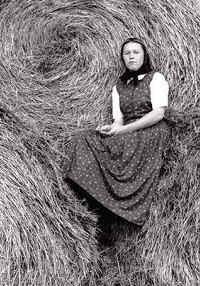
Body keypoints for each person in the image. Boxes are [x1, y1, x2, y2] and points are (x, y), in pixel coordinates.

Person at [64, 38, 170, 232]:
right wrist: (111, 129)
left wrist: (123, 131)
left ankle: (121, 204)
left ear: (144, 55)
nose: (131, 56)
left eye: (135, 52)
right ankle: (91, 199)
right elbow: (118, 121)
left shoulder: (156, 78)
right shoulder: (118, 87)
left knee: (123, 144)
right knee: (83, 138)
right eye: (127, 53)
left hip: (152, 130)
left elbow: (158, 114)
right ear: (122, 58)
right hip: (126, 130)